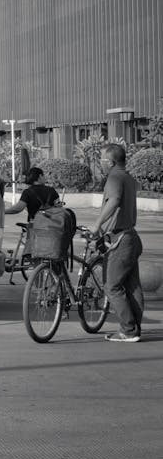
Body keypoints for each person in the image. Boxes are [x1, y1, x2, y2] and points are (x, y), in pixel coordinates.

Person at [92, 143, 143, 343]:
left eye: (102, 160)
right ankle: (134, 329)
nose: (100, 164)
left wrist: (97, 225)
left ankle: (128, 331)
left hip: (120, 240)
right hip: (131, 236)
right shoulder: (128, 178)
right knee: (132, 287)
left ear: (111, 162)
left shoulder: (114, 177)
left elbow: (113, 201)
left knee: (112, 286)